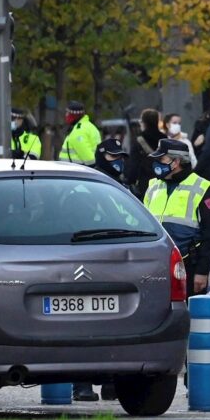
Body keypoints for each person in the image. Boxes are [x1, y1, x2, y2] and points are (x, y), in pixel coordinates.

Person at [70, 136, 132, 403]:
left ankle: (110, 382)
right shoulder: (83, 188)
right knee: (83, 325)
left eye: (120, 157)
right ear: (100, 156)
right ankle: (82, 383)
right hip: (87, 257)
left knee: (114, 326)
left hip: (115, 258)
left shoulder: (123, 187)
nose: (117, 162)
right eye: (112, 157)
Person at [144, 138, 210, 298]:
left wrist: (202, 271)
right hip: (155, 265)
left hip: (188, 266)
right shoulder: (153, 186)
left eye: (162, 159)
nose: (157, 163)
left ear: (176, 162)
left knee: (186, 316)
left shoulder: (202, 188)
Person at [127, 108, 164, 199]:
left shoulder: (139, 140)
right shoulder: (165, 138)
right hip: (163, 181)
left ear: (144, 122)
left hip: (145, 183)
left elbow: (134, 165)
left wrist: (130, 181)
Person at [59, 101, 98, 166]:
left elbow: (90, 160)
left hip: (76, 172)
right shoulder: (90, 126)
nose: (66, 115)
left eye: (68, 113)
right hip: (81, 171)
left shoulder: (78, 131)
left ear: (74, 115)